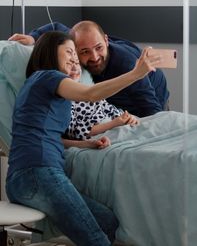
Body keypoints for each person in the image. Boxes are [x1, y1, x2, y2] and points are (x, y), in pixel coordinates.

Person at [6, 31, 160, 246]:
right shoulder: (47, 77)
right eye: (69, 52)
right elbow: (91, 94)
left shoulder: (41, 90)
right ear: (50, 51)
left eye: (76, 58)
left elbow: (46, 136)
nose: (74, 59)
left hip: (28, 177)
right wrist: (136, 73)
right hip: (36, 174)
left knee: (108, 222)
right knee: (95, 239)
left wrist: (84, 144)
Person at [9, 20, 169, 117]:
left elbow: (151, 108)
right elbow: (55, 26)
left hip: (152, 94)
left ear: (106, 40)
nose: (94, 57)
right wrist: (33, 37)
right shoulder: (73, 38)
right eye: (84, 52)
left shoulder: (125, 63)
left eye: (99, 47)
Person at [63, 59, 139, 142]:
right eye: (68, 64)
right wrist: (113, 123)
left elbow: (109, 109)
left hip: (116, 124)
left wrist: (127, 118)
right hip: (101, 134)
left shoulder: (91, 90)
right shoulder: (65, 100)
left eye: (77, 63)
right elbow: (78, 132)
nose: (75, 68)